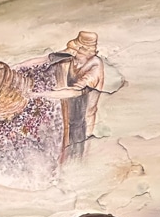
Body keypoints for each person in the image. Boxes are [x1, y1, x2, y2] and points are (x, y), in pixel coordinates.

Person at [32, 31, 105, 160]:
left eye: (77, 51)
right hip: (68, 115)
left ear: (86, 52)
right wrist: (17, 66)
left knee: (75, 156)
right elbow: (46, 59)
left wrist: (41, 94)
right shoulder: (74, 57)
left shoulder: (94, 67)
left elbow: (73, 92)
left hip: (82, 123)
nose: (73, 54)